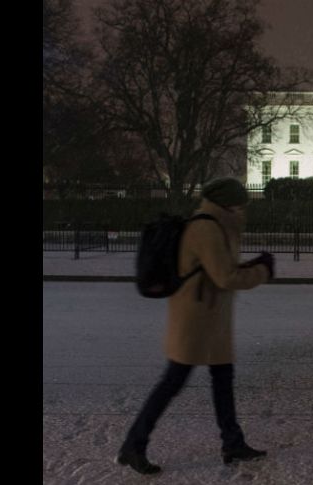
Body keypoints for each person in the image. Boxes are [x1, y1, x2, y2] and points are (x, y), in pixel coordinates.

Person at [116, 177, 275, 475]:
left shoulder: (216, 223)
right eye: (240, 204)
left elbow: (220, 269)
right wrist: (262, 271)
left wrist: (253, 264)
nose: (243, 209)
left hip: (209, 317)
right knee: (172, 383)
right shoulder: (206, 227)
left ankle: (233, 442)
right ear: (228, 202)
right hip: (197, 319)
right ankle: (134, 444)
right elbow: (224, 277)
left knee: (221, 381)